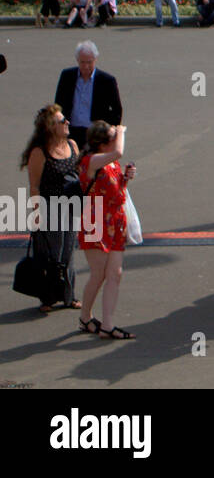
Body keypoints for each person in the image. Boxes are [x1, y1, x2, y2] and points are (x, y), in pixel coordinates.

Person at [20, 105, 82, 314]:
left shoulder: (72, 146)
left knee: (68, 252)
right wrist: (36, 213)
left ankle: (68, 296)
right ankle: (47, 297)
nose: (67, 123)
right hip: (50, 209)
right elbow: (35, 185)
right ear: (50, 127)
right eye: (61, 120)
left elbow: (80, 175)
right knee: (50, 254)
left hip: (71, 207)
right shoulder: (40, 152)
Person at [78, 120, 136, 339]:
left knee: (115, 274)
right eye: (112, 137)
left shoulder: (111, 163)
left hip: (115, 221)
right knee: (99, 273)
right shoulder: (91, 161)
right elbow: (119, 152)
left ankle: (108, 324)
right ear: (103, 143)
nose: (116, 140)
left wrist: (126, 179)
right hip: (96, 222)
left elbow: (115, 189)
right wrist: (121, 131)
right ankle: (85, 317)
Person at [54, 41, 124, 151]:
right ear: (77, 60)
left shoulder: (107, 81)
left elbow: (117, 110)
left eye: (89, 62)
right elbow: (58, 104)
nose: (86, 66)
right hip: (71, 130)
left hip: (94, 134)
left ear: (95, 60)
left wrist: (109, 132)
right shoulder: (67, 76)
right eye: (82, 62)